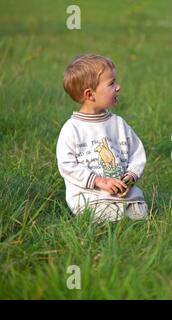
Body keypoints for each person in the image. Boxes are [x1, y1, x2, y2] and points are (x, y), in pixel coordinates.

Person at [57, 54, 148, 222]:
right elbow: (67, 165)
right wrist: (99, 180)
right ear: (90, 95)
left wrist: (130, 176)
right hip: (89, 196)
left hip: (122, 193)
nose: (118, 87)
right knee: (103, 213)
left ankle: (125, 210)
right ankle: (110, 215)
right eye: (111, 83)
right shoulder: (72, 129)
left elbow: (137, 152)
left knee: (140, 211)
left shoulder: (118, 124)